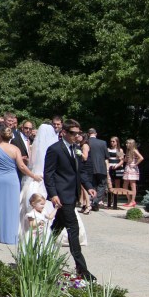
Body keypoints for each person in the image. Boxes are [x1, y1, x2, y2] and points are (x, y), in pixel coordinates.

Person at [44, 119, 96, 282]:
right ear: (64, 133)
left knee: (56, 228)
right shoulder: (54, 149)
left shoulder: (76, 149)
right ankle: (82, 269)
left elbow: (81, 172)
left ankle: (39, 253)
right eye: (73, 133)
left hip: (72, 195)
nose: (77, 136)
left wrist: (88, 187)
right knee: (73, 229)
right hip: (61, 195)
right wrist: (53, 194)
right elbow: (48, 174)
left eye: (78, 133)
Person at [0, 125, 34, 244]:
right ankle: (10, 235)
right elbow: (21, 166)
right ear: (10, 137)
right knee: (11, 207)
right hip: (11, 180)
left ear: (0, 136)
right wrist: (33, 175)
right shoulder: (15, 149)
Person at [87, 128, 109, 211]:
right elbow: (106, 156)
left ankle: (92, 201)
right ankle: (95, 201)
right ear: (96, 134)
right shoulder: (103, 143)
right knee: (102, 185)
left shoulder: (86, 142)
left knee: (92, 186)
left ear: (88, 134)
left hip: (90, 167)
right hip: (101, 167)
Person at [122, 139, 144, 207]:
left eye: (128, 143)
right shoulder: (128, 151)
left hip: (132, 169)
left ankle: (133, 201)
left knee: (132, 185)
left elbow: (141, 158)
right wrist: (121, 156)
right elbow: (125, 160)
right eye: (126, 143)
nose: (126, 144)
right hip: (127, 168)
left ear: (131, 144)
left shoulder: (134, 150)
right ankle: (129, 200)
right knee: (125, 185)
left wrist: (135, 164)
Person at [106, 135, 125, 209]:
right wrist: (108, 166)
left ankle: (115, 202)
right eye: (111, 141)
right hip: (110, 167)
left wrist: (117, 165)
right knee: (109, 184)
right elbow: (107, 159)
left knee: (117, 184)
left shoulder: (119, 150)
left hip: (117, 168)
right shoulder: (108, 149)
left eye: (113, 141)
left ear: (117, 142)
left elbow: (122, 160)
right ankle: (109, 201)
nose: (112, 143)